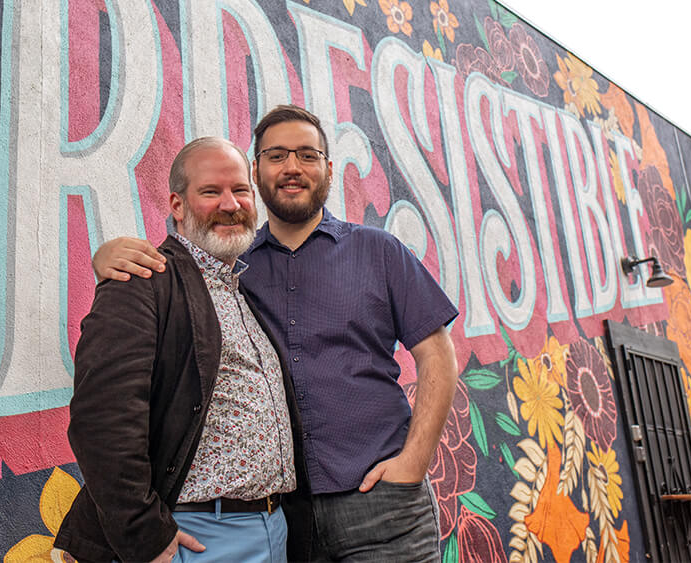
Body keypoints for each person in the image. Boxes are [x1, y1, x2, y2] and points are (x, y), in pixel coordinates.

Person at [93, 105, 459, 561]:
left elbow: (437, 354)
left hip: (382, 503)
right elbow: (172, 261)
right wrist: (107, 255)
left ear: (328, 168)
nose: (292, 167)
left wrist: (414, 461)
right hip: (290, 518)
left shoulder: (378, 250)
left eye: (307, 155)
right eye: (277, 155)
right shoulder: (233, 266)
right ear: (259, 170)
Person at [55, 137, 310, 563]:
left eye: (240, 190)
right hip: (194, 535)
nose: (230, 204)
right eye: (211, 192)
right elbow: (101, 417)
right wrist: (145, 537)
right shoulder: (143, 279)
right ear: (177, 205)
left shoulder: (243, 289)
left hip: (271, 530)